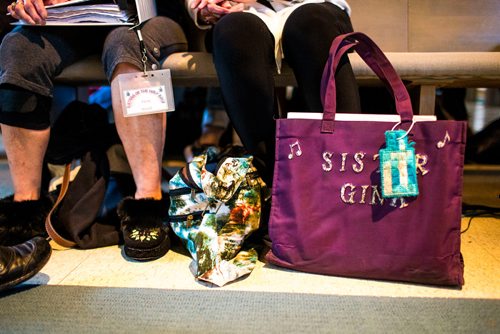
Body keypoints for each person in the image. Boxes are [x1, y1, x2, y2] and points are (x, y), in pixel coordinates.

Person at [0, 0, 188, 261]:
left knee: (127, 45)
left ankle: (148, 201)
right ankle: (26, 208)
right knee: (17, 48)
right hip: (69, 20)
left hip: (146, 18)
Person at [186, 0, 361, 185]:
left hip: (314, 6)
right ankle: (271, 178)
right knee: (234, 30)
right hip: (249, 13)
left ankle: (345, 170)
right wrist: (204, 8)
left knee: (310, 22)